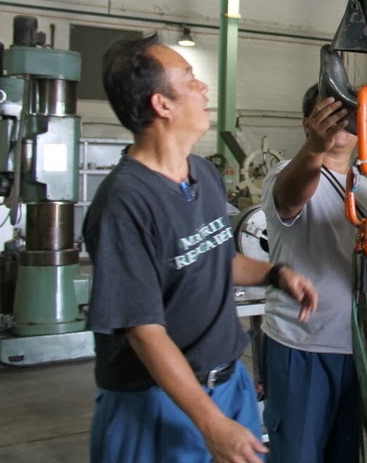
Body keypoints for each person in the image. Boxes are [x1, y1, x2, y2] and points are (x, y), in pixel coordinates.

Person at [85, 34, 318, 463]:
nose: (204, 88)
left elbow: (220, 260)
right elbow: (143, 329)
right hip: (157, 402)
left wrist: (275, 274)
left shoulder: (200, 174)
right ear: (162, 104)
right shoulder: (125, 201)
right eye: (190, 79)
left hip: (230, 384)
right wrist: (210, 423)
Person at [260, 84, 367, 462]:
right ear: (307, 124)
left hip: (356, 351)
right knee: (297, 453)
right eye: (328, 114)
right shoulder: (284, 175)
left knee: (344, 453)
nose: (340, 123)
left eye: (348, 115)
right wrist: (315, 147)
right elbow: (292, 198)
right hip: (301, 346)